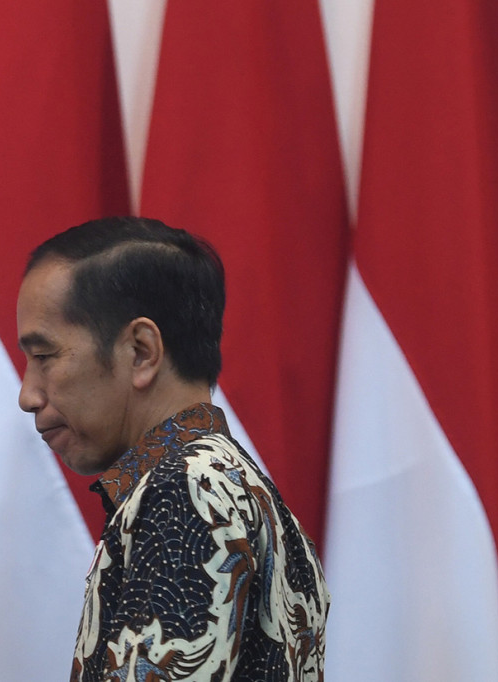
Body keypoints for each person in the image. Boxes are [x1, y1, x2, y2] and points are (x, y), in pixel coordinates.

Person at [16, 217, 329, 681]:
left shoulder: (183, 492)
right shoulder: (244, 488)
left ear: (142, 351)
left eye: (44, 357)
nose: (28, 395)